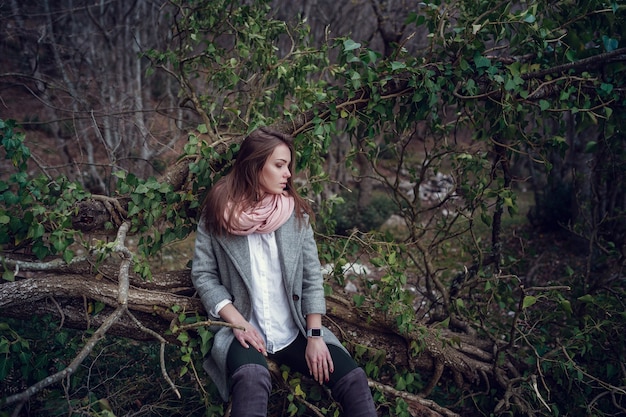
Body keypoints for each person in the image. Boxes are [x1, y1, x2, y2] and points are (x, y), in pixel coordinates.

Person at [191, 127, 377, 417]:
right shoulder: (217, 212)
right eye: (279, 165)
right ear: (254, 165)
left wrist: (315, 336)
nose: (288, 173)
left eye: (288, 165)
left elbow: (312, 277)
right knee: (252, 379)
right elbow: (203, 275)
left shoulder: (294, 213)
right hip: (245, 332)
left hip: (295, 332)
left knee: (353, 380)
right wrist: (238, 323)